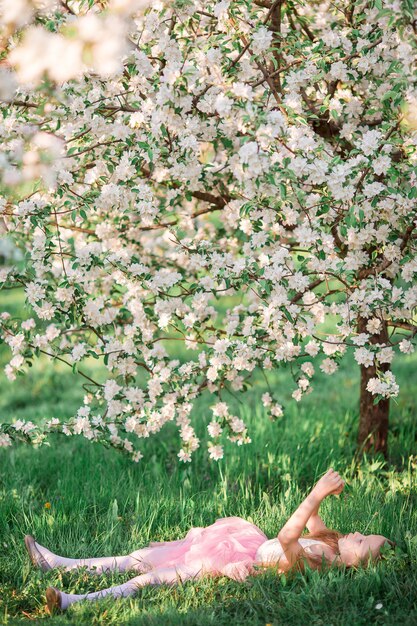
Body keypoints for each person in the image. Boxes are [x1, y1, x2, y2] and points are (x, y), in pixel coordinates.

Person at [24, 469, 392, 613]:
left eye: (361, 543)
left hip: (230, 563)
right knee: (140, 556)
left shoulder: (315, 563)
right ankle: (60, 564)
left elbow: (286, 536)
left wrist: (314, 494)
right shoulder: (328, 544)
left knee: (152, 577)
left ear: (352, 565)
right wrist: (324, 496)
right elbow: (311, 524)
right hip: (236, 543)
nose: (356, 534)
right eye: (362, 533)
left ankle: (75, 601)